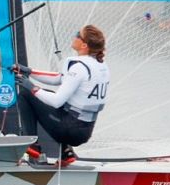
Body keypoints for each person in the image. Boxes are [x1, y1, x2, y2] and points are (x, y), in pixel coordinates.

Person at [12, 25, 109, 166]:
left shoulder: (79, 67)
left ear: (84, 45)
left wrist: (31, 87)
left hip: (69, 129)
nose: (74, 35)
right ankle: (66, 153)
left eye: (77, 34)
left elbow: (56, 102)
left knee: (26, 95)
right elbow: (58, 78)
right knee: (49, 94)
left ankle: (32, 145)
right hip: (85, 131)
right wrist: (29, 71)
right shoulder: (101, 65)